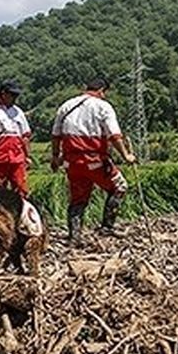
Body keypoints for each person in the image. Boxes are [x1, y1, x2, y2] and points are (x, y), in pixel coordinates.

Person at [50, 77, 137, 242]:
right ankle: (107, 227)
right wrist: (126, 155)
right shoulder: (103, 106)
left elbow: (55, 136)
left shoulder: (66, 105)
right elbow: (114, 135)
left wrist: (55, 157)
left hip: (71, 163)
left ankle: (74, 235)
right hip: (95, 160)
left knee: (78, 198)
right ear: (102, 91)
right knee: (119, 187)